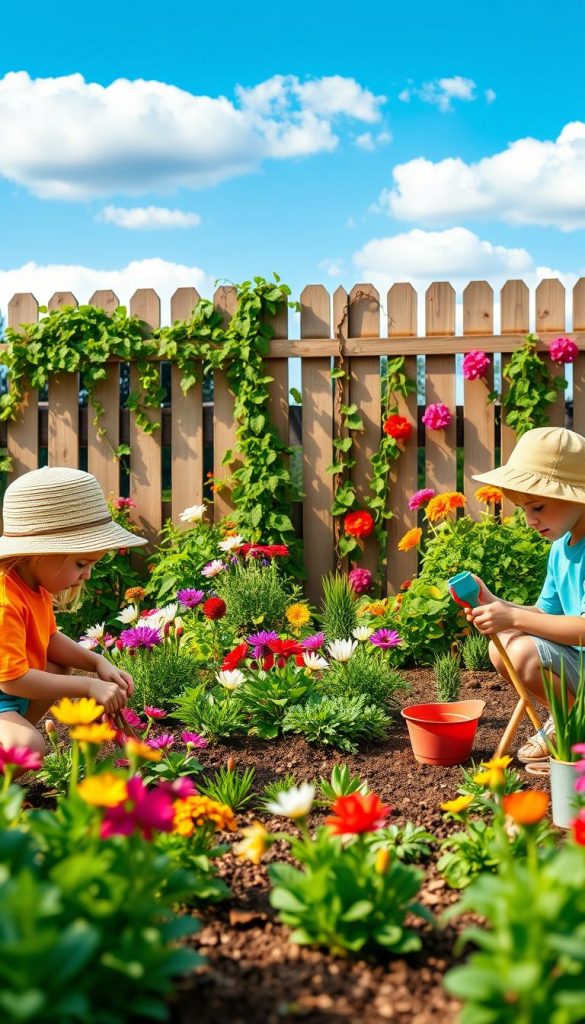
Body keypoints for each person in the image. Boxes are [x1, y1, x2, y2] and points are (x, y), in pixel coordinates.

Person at [0, 466, 147, 760]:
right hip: (8, 689)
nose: (88, 575)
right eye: (81, 564)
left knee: (58, 666)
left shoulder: (31, 585)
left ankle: (13, 742)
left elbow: (50, 638)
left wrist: (96, 662)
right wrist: (87, 685)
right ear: (40, 553)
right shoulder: (5, 601)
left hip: (9, 701)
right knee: (30, 748)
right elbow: (12, 680)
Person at [469, 426, 585, 763]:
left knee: (521, 650)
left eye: (538, 507)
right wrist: (494, 604)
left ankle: (573, 726)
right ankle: (568, 721)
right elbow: (546, 614)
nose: (530, 520)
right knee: (504, 641)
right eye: (523, 509)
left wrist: (514, 618)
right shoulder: (561, 547)